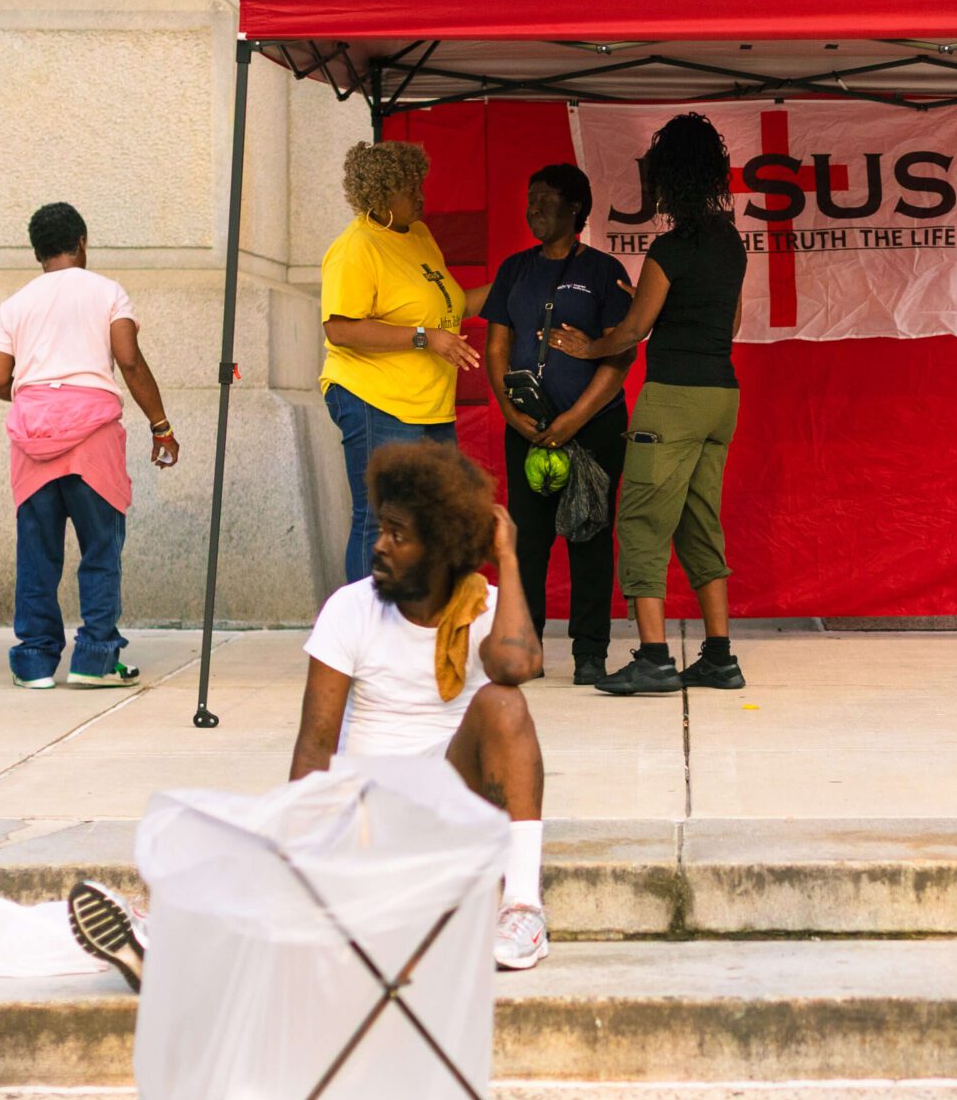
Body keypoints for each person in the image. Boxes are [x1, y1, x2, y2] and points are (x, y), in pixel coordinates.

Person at [70, 444, 554, 984]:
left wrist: (507, 559)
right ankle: (158, 940)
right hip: (364, 811)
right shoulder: (351, 608)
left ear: (441, 548)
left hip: (448, 809)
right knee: (242, 834)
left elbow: (516, 664)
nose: (381, 546)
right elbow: (314, 748)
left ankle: (522, 911)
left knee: (503, 701)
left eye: (399, 535)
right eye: (382, 529)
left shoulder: (483, 607)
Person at [551, 113, 748, 697]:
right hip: (721, 396)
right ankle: (719, 657)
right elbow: (728, 320)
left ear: (668, 180)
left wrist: (590, 345)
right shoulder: (729, 241)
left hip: (674, 401)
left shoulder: (670, 247)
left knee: (640, 520)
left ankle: (655, 657)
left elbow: (633, 331)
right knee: (697, 520)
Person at [0, 203, 180, 690]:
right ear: (83, 242)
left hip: (32, 440)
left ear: (37, 253)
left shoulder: (14, 304)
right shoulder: (107, 292)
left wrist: (39, 396)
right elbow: (129, 360)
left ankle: (33, 662)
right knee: (100, 550)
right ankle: (95, 659)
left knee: (37, 556)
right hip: (92, 439)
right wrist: (160, 425)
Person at [482, 164, 635, 686]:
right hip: (527, 426)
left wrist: (573, 419)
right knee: (527, 542)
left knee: (588, 536)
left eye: (545, 200)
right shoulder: (514, 270)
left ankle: (590, 651)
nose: (533, 210)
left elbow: (620, 357)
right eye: (529, 200)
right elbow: (497, 345)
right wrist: (509, 411)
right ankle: (524, 645)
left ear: (576, 209)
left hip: (592, 428)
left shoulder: (603, 271)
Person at [319, 140, 486, 585]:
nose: (420, 196)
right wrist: (423, 338)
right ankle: (365, 633)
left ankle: (413, 621)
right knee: (379, 519)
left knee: (434, 515)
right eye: (409, 188)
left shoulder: (419, 236)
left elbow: (453, 308)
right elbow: (340, 329)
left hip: (429, 405)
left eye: (419, 185)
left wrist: (511, 279)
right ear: (380, 194)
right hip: (377, 400)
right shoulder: (356, 247)